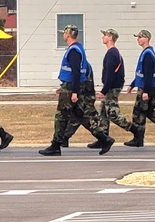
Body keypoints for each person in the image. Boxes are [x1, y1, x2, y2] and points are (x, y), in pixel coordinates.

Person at [38, 25, 114, 156]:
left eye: (64, 33)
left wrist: (73, 92)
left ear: (68, 34)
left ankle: (56, 145)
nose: (63, 35)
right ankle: (104, 139)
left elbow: (76, 72)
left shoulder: (73, 50)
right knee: (82, 116)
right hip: (69, 86)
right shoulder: (77, 48)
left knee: (61, 117)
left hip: (71, 88)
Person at [92, 28, 139, 147]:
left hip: (112, 88)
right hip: (111, 86)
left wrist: (104, 90)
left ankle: (135, 129)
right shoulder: (111, 53)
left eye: (105, 35)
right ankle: (103, 138)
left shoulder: (112, 53)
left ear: (111, 38)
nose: (103, 37)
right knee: (103, 112)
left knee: (112, 114)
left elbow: (111, 74)